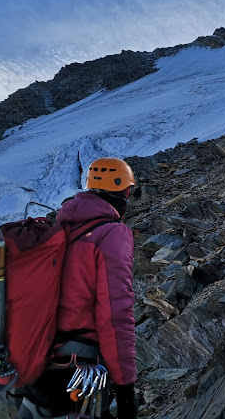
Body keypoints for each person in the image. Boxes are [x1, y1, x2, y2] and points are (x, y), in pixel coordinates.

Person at [19, 157, 137, 419]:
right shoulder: (111, 234)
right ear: (126, 191)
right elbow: (115, 314)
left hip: (35, 358)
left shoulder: (58, 228)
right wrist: (125, 387)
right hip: (79, 366)